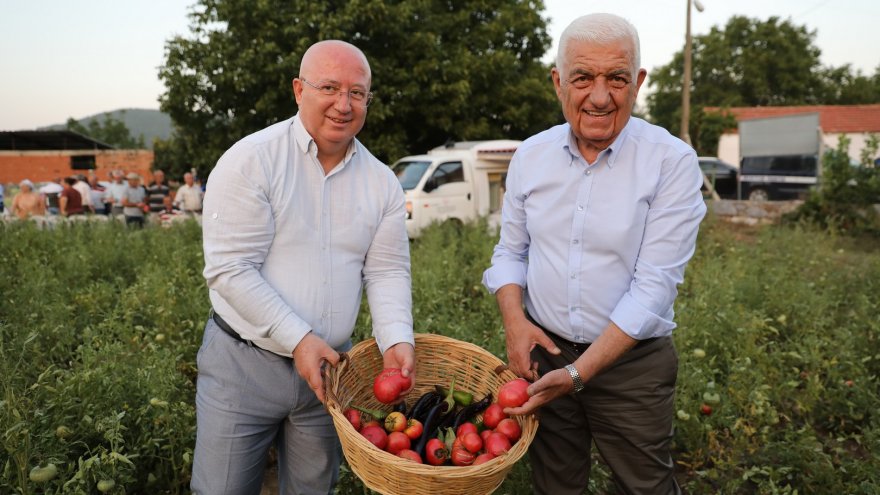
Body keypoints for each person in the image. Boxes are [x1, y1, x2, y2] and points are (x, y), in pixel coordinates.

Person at [482, 13, 706, 495]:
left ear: (639, 82)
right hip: (547, 351)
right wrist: (515, 322)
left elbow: (653, 289)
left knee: (643, 484)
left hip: (632, 366)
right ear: (558, 81)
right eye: (583, 77)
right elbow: (510, 252)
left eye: (617, 78)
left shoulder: (671, 162)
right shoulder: (531, 157)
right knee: (555, 483)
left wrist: (579, 373)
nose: (600, 96)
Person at [193, 40, 415, 494]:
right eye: (329, 87)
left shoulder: (381, 182)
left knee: (314, 489)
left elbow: (387, 271)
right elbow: (230, 269)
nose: (343, 104)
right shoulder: (251, 161)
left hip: (331, 372)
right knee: (221, 488)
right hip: (243, 363)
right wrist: (298, 339)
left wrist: (396, 339)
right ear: (299, 90)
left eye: (357, 93)